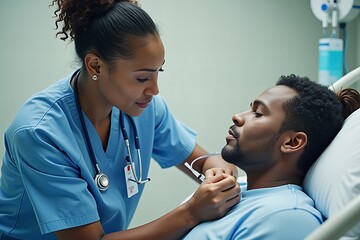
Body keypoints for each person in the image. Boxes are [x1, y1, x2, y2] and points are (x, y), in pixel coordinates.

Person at [0, 1, 241, 239]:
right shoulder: (39, 132)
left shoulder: (145, 108)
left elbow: (200, 161)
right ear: (96, 66)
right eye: (142, 78)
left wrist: (219, 173)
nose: (155, 90)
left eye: (158, 73)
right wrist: (191, 212)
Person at [181, 74, 360, 240]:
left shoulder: (287, 218)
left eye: (258, 113)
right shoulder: (239, 190)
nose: (237, 117)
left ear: (292, 142)